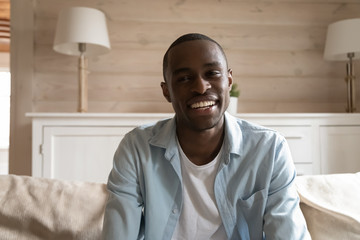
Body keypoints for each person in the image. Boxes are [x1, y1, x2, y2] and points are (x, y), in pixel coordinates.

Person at [102, 33, 311, 239]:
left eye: (212, 73)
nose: (201, 87)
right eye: (184, 78)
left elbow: (288, 234)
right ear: (167, 92)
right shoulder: (136, 148)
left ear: (229, 80)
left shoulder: (269, 148)